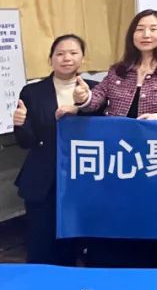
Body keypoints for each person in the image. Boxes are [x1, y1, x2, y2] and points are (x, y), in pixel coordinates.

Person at [75, 9, 157, 268]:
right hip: (116, 159)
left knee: (143, 220)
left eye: (153, 28)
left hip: (152, 161)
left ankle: (142, 272)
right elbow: (96, 99)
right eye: (140, 29)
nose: (146, 34)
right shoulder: (118, 70)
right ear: (132, 35)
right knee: (113, 215)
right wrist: (83, 98)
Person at [14, 35, 96, 266]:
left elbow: (102, 130)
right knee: (41, 243)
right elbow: (26, 142)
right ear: (50, 59)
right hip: (43, 179)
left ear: (83, 58)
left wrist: (83, 104)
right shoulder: (32, 92)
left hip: (82, 177)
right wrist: (20, 124)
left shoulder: (94, 90)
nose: (66, 58)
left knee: (77, 244)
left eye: (73, 53)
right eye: (60, 53)